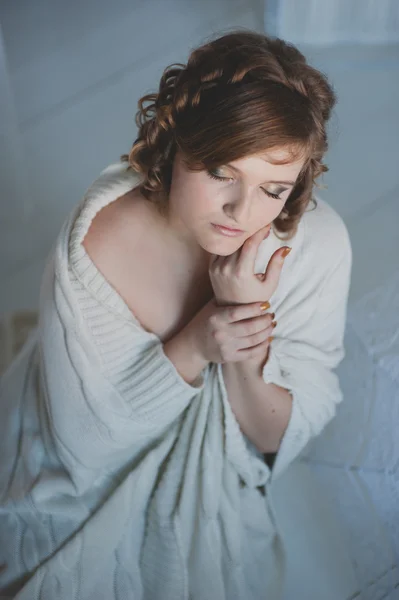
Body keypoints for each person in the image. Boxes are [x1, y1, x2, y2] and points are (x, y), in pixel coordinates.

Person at [0, 29, 358, 599]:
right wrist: (196, 342)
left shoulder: (316, 247)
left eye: (274, 189)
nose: (242, 212)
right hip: (82, 462)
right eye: (221, 173)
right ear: (174, 146)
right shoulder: (100, 239)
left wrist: (243, 335)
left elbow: (272, 442)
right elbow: (85, 448)